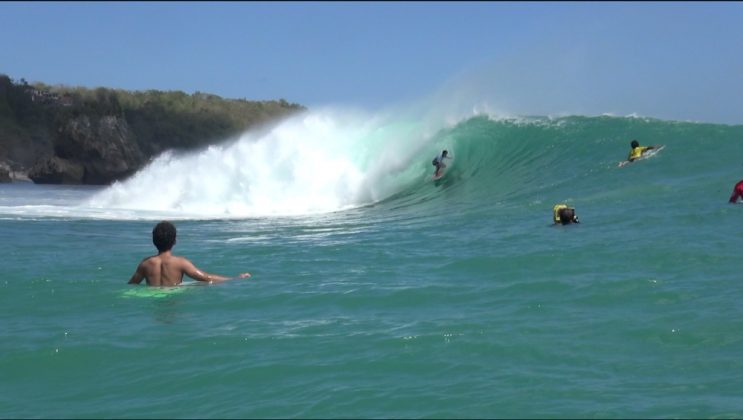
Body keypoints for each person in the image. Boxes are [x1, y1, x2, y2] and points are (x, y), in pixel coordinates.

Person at [128, 221, 251, 287]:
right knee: (199, 285)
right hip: (172, 296)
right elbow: (207, 278)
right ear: (175, 240)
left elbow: (132, 284)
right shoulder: (180, 263)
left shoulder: (145, 264)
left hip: (152, 296)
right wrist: (235, 278)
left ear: (153, 240)